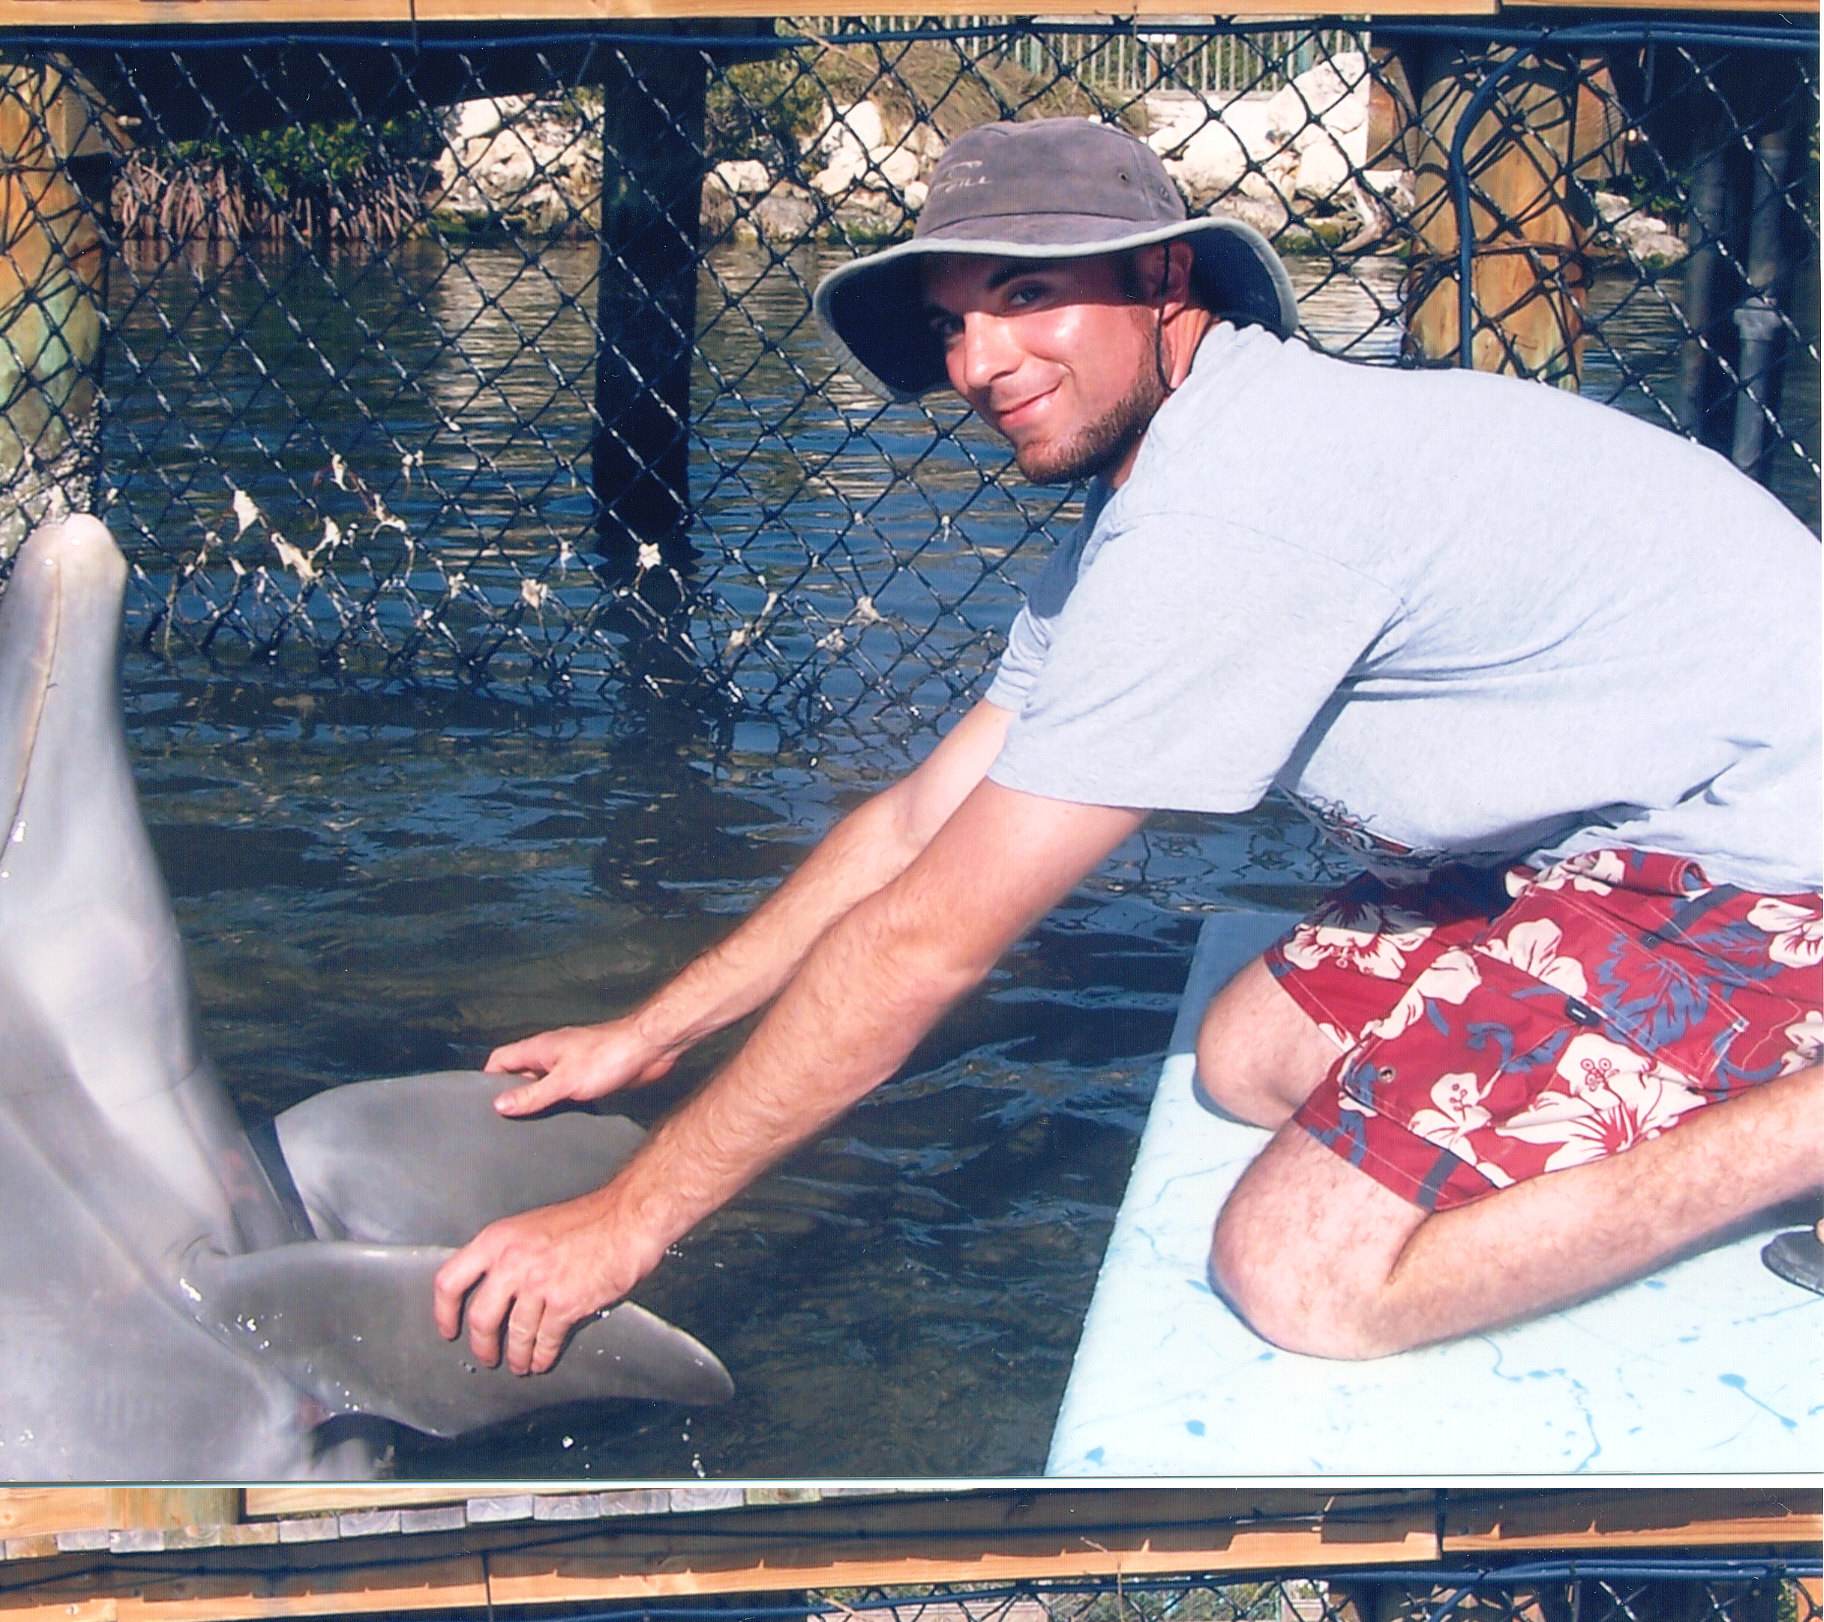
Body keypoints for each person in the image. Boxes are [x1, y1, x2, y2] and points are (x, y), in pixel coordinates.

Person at [430, 114, 1822, 1380]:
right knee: (1249, 1054)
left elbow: (930, 941)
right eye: (952, 326)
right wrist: (650, 1033)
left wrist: (627, 1223)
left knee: (1300, 1276)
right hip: (1607, 841)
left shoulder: (1236, 516)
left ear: (1165, 280)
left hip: (1759, 870)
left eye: (1027, 297)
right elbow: (919, 823)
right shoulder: (1186, 476)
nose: (979, 366)